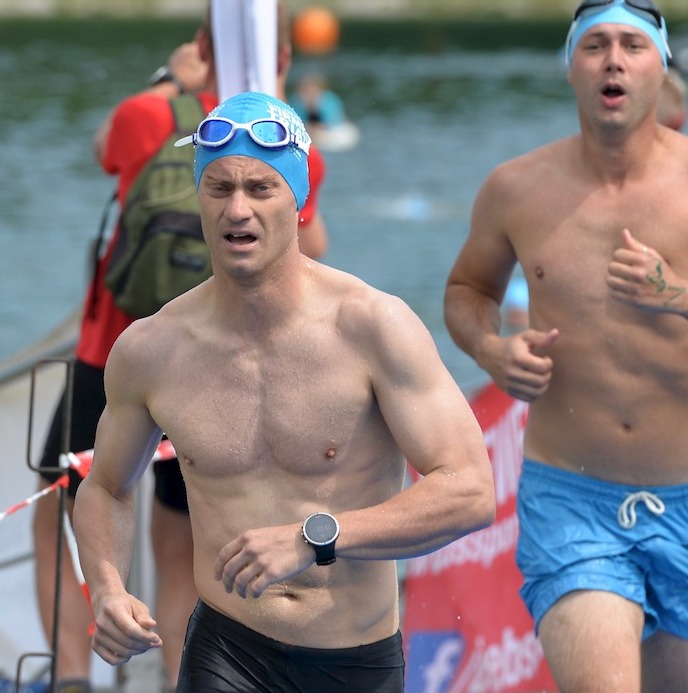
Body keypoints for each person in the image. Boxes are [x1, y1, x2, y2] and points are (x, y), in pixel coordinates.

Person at [443, 2, 688, 691]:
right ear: (572, 68)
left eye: (632, 45)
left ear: (660, 65)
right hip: (572, 499)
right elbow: (467, 290)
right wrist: (491, 350)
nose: (613, 59)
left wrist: (682, 295)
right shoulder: (516, 188)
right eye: (595, 46)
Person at [73, 90, 495, 693]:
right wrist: (108, 590)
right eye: (218, 188)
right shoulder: (151, 349)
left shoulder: (373, 327)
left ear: (297, 199)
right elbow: (107, 487)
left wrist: (314, 537)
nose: (236, 209)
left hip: (354, 659)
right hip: (227, 650)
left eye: (259, 188)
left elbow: (471, 490)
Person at [33, 3, 328, 691]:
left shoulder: (150, 117)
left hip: (112, 353)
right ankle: (176, 678)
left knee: (61, 512)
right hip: (218, 367)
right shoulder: (289, 142)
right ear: (280, 59)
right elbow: (312, 248)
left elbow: (102, 143)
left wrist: (170, 80)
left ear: (202, 44)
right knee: (180, 542)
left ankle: (73, 679)